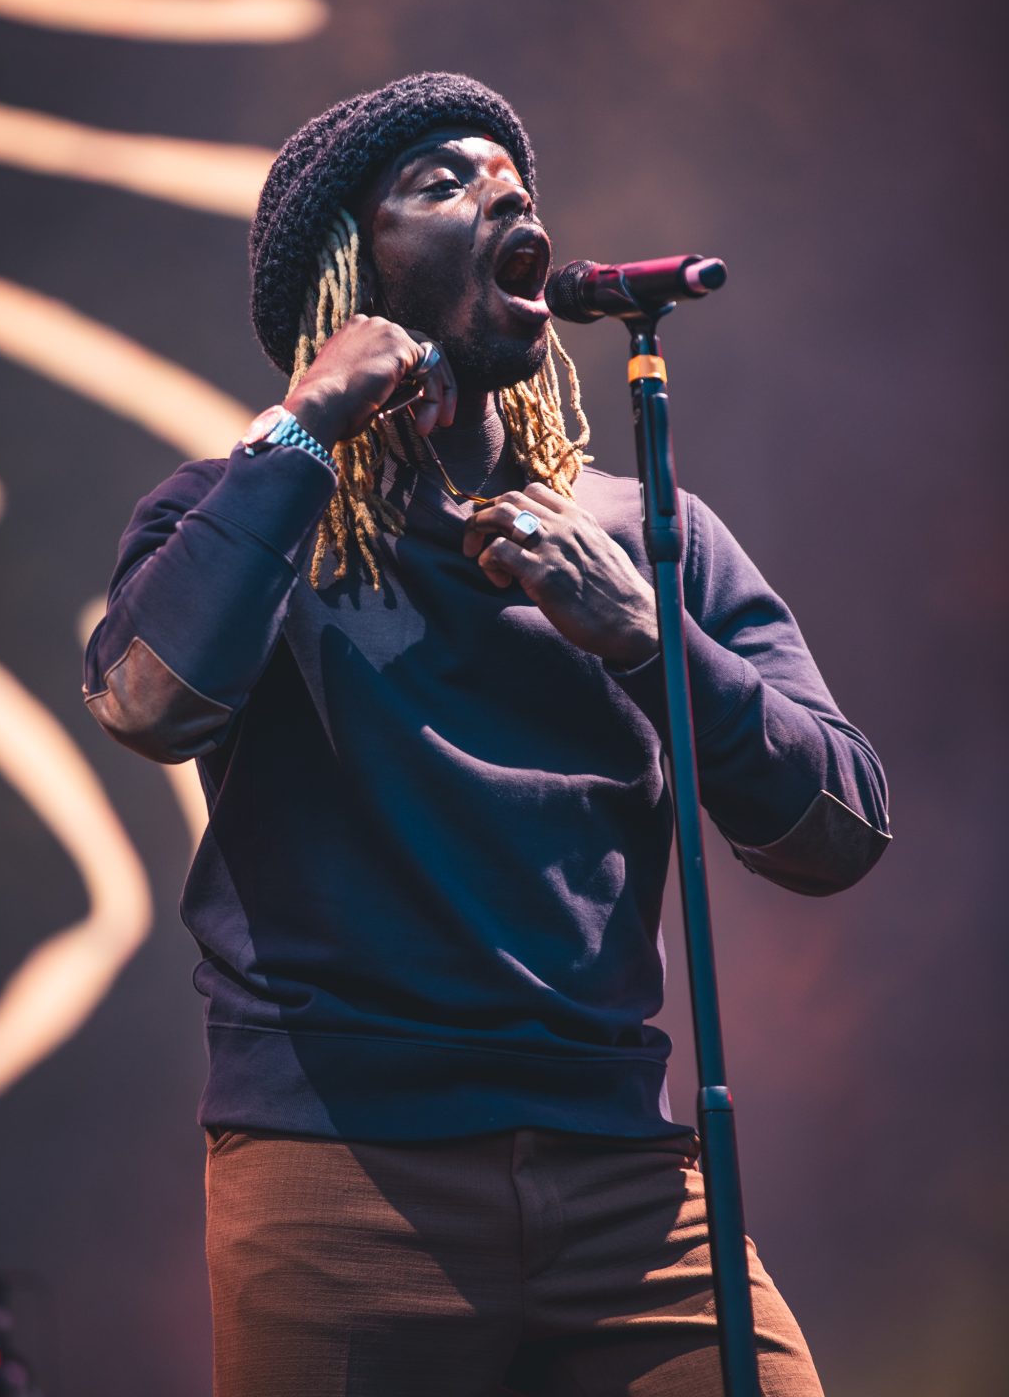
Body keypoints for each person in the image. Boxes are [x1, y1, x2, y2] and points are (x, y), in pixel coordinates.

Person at [83, 72, 891, 1397]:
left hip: (630, 1190)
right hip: (341, 1186)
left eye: (513, 178)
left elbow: (838, 830)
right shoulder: (240, 515)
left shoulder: (646, 537)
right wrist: (302, 430)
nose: (506, 192)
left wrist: (646, 640)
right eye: (440, 182)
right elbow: (149, 702)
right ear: (349, 275)